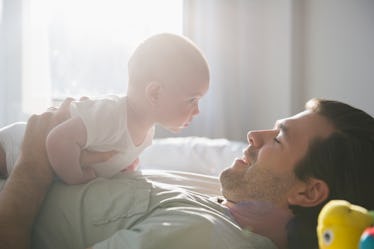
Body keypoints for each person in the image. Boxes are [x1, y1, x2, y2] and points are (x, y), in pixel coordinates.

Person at [1, 98, 373, 249]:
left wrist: (31, 168)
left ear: (308, 194)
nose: (255, 136)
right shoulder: (226, 201)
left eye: (279, 138)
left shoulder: (206, 237)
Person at [0, 32, 210, 184]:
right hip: (15, 146)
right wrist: (76, 179)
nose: (197, 111)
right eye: (192, 100)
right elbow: (57, 140)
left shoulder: (146, 133)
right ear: (154, 93)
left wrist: (124, 166)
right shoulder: (112, 115)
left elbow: (115, 150)